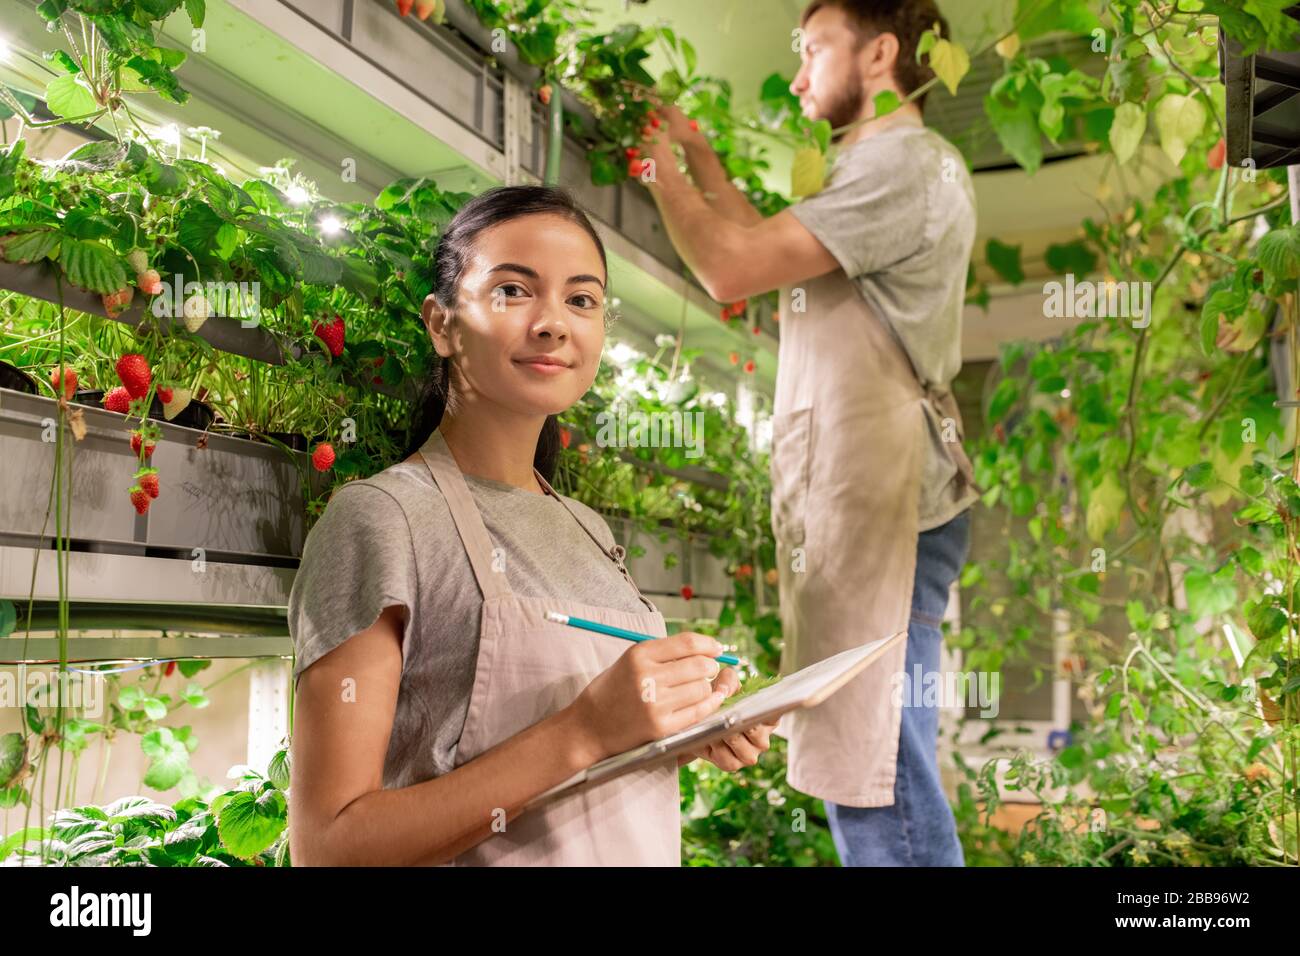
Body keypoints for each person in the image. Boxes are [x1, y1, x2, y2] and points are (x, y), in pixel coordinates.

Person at [287, 185, 775, 867]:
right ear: (441, 323)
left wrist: (682, 723)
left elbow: (585, 770)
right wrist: (584, 732)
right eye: (514, 291)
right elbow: (329, 847)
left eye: (582, 299)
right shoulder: (384, 518)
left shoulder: (587, 528)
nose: (553, 324)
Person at [638, 0, 977, 866]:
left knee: (877, 771)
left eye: (815, 49)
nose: (796, 77)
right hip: (867, 503)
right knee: (863, 757)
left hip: (886, 508)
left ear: (881, 53)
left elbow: (731, 266)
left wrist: (655, 166)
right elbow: (760, 242)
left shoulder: (907, 163)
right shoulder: (870, 169)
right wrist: (699, 158)